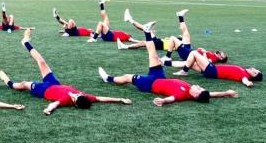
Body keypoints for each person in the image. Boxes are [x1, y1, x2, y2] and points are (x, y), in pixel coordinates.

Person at [98, 21, 238, 106]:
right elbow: (212, 94)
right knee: (153, 54)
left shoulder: (183, 95)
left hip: (150, 84)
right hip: (160, 77)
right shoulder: (194, 92)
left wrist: (162, 101)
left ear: (195, 96)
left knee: (128, 77)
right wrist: (227, 92)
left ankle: (108, 79)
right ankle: (147, 31)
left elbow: (171, 99)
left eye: (199, 89)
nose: (199, 86)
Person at [0, 29, 131, 115]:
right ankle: (26, 42)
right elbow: (100, 98)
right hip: (54, 83)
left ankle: (9, 83)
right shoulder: (85, 97)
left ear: (74, 103)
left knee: (23, 84)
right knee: (42, 61)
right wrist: (120, 99)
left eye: (74, 98)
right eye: (77, 95)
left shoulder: (67, 99)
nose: (74, 95)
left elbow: (54, 104)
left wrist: (48, 110)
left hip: (43, 90)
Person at [161, 9, 228, 65]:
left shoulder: (214, 58)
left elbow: (206, 62)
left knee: (172, 38)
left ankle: (168, 57)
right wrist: (201, 50)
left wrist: (204, 52)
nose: (222, 52)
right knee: (186, 34)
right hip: (190, 51)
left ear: (221, 58)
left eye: (223, 54)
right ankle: (180, 16)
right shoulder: (213, 54)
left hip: (187, 54)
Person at [173, 50, 262, 88]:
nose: (254, 70)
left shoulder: (244, 75)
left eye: (254, 73)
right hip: (211, 71)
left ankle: (184, 72)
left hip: (213, 70)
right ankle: (163, 63)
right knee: (188, 64)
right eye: (256, 70)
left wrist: (248, 83)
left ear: (252, 77)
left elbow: (244, 80)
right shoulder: (244, 70)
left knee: (194, 53)